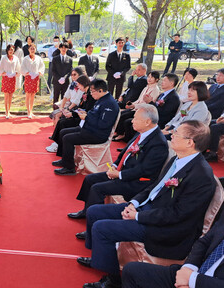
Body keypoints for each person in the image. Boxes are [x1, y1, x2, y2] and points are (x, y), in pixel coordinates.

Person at [78, 120, 216, 288]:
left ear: (190, 142)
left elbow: (178, 214)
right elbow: (155, 186)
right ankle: (99, 256)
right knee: (94, 212)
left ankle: (112, 280)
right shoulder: (178, 159)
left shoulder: (201, 175)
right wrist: (134, 203)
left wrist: (138, 216)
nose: (171, 134)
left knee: (102, 228)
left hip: (165, 228)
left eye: (177, 133)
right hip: (149, 209)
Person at [68, 104, 168, 220]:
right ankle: (87, 211)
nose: (132, 121)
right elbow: (125, 152)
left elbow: (145, 170)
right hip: (124, 172)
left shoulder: (158, 143)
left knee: (97, 188)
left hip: (137, 181)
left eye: (136, 118)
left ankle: (95, 219)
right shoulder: (142, 132)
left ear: (147, 122)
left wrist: (119, 174)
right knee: (89, 179)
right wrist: (115, 165)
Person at [122, 202, 224, 288]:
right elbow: (205, 241)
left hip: (208, 281)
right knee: (131, 271)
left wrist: (194, 280)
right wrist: (188, 268)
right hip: (195, 272)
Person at [52, 79, 120, 175]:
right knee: (63, 132)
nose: (91, 94)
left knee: (68, 138)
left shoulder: (109, 104)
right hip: (89, 128)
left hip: (97, 134)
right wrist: (85, 113)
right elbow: (94, 114)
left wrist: (86, 117)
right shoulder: (101, 100)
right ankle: (65, 160)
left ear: (100, 90)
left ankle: (69, 168)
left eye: (92, 91)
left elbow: (103, 124)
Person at [46, 75, 95, 153]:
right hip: (79, 115)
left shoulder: (91, 95)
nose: (78, 86)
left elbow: (87, 109)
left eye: (78, 84)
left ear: (83, 83)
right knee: (61, 121)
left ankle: (58, 144)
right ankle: (57, 142)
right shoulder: (85, 93)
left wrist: (72, 113)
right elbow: (81, 107)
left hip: (84, 119)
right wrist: (71, 112)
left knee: (64, 122)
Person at [116, 71, 161, 142]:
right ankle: (120, 133)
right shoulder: (146, 87)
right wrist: (132, 104)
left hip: (143, 110)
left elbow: (147, 104)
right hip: (137, 108)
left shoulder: (155, 89)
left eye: (152, 77)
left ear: (157, 79)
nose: (149, 79)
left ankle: (123, 136)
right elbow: (139, 100)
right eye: (149, 77)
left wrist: (134, 106)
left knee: (125, 118)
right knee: (121, 114)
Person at [21, 44, 45, 118]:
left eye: (33, 48)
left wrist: (39, 72)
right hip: (28, 78)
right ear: (28, 50)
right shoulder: (25, 59)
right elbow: (22, 67)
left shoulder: (38, 58)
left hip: (35, 78)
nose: (32, 50)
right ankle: (28, 112)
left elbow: (42, 66)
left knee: (33, 95)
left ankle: (31, 111)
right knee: (28, 94)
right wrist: (27, 72)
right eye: (31, 49)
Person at [0, 44, 21, 118]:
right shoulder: (4, 58)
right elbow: (0, 68)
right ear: (7, 50)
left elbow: (18, 68)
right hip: (6, 78)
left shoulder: (16, 58)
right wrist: (3, 73)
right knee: (6, 96)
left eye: (12, 50)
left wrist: (17, 72)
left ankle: (9, 111)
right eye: (10, 50)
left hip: (12, 78)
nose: (11, 51)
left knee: (11, 96)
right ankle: (6, 112)